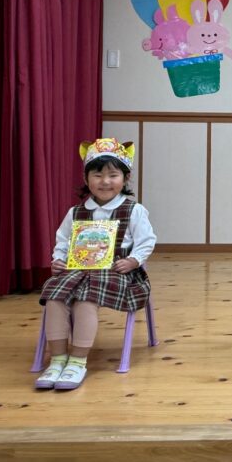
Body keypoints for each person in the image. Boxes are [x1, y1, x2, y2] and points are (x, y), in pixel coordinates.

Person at [35, 138, 156, 391]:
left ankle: (77, 361)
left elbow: (146, 241)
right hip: (77, 269)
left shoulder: (133, 210)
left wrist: (133, 260)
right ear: (86, 178)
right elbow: (63, 240)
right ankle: (57, 359)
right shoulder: (75, 212)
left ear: (125, 178)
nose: (105, 181)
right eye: (98, 175)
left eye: (113, 175)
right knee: (55, 295)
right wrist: (58, 260)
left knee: (85, 299)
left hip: (117, 271)